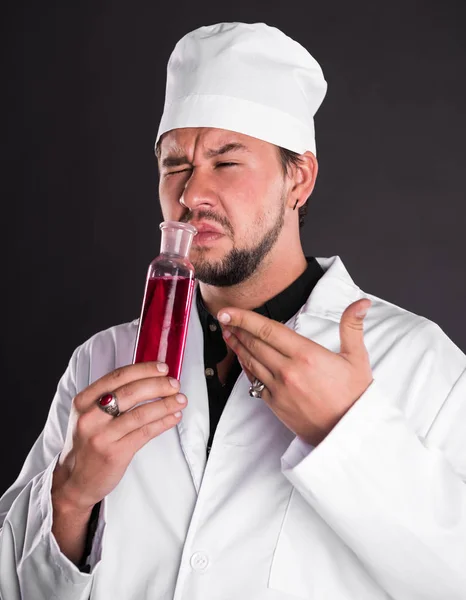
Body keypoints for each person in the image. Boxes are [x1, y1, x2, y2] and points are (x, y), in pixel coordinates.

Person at [1, 21, 465, 600]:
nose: (192, 194)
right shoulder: (101, 362)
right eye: (176, 166)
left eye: (227, 163)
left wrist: (348, 434)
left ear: (299, 179)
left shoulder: (417, 364)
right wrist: (69, 500)